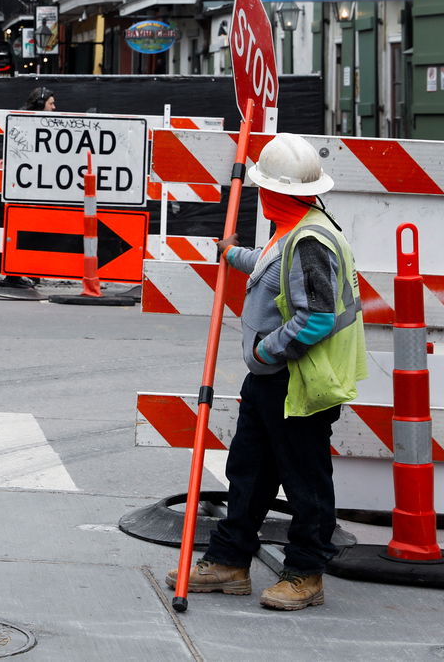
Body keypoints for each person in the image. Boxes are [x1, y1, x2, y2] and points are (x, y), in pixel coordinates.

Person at [169, 132, 367, 611]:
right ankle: (230, 562)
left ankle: (305, 575)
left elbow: (316, 316)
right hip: (275, 380)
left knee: (305, 481)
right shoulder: (294, 228)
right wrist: (234, 255)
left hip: (298, 380)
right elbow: (274, 269)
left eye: (263, 188)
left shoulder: (310, 240)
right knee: (249, 470)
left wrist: (265, 354)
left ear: (276, 192)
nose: (258, 194)